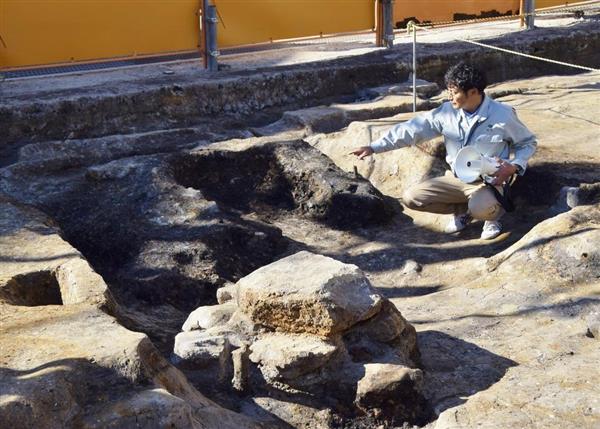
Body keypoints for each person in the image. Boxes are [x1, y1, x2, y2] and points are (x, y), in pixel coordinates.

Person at [351, 62, 537, 240]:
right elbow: (412, 129)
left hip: (489, 182)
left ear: (473, 92)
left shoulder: (502, 114)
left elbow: (527, 143)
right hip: (457, 178)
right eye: (449, 91)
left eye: (454, 92)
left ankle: (491, 218)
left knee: (481, 207)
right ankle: (464, 212)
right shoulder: (447, 112)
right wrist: (374, 147)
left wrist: (513, 167)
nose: (449, 97)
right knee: (412, 198)